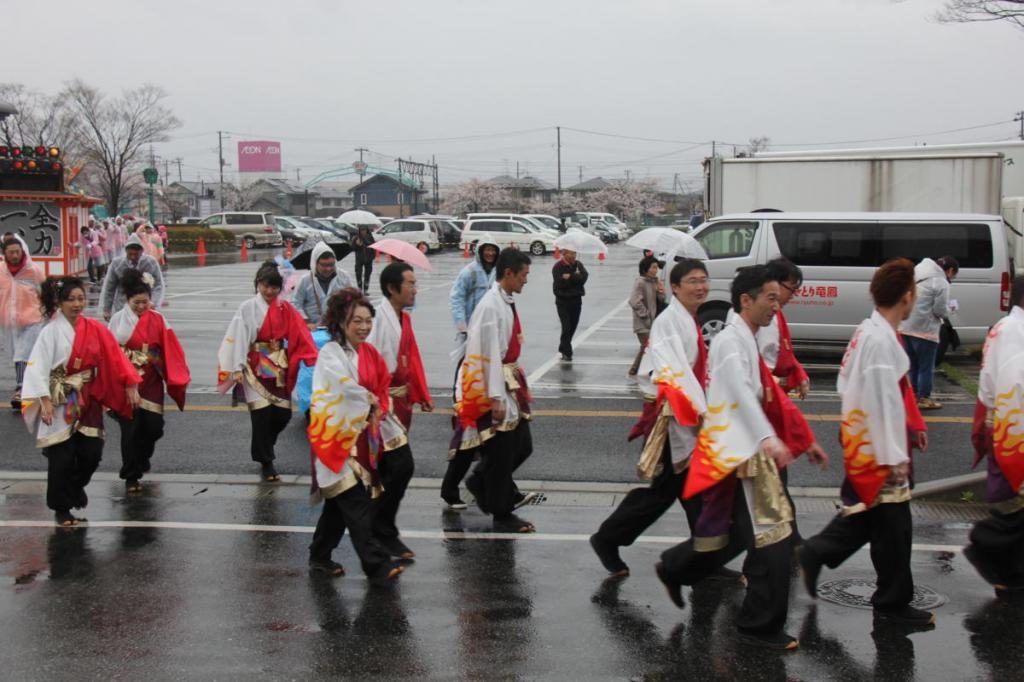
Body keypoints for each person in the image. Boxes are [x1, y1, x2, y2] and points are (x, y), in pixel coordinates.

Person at [656, 265, 826, 651]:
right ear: (745, 300)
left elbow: (769, 393)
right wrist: (768, 438)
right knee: (772, 539)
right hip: (741, 451)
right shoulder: (731, 341)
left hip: (746, 447)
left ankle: (675, 567)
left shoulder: (747, 335)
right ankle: (756, 625)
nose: (777, 304)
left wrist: (800, 437)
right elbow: (739, 394)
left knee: (732, 535)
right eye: (770, 297)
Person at [799, 258, 935, 628]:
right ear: (907, 296)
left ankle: (816, 554)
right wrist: (893, 455)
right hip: (877, 444)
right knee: (893, 527)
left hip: (868, 438)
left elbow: (877, 389)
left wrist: (911, 424)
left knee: (875, 518)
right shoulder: (879, 339)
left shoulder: (871, 330)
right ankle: (891, 603)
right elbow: (881, 401)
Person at [590, 259, 712, 577]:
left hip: (687, 414)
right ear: (674, 287)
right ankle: (607, 539)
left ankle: (706, 558)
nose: (701, 286)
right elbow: (676, 373)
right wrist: (704, 411)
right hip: (676, 418)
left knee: (693, 491)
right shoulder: (670, 321)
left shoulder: (686, 318)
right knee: (667, 492)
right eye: (693, 281)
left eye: (704, 280)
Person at [20, 276, 142, 526]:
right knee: (61, 458)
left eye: (80, 299)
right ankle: (61, 509)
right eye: (71, 299)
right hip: (60, 397)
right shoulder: (50, 332)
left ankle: (75, 487)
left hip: (88, 398)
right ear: (59, 303)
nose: (77, 304)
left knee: (91, 454)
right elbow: (38, 367)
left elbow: (115, 356)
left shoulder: (95, 328)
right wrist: (44, 401)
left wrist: (130, 383)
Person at [307, 287, 405, 584]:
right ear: (340, 323)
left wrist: (379, 403)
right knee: (356, 503)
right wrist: (368, 398)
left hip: (357, 438)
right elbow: (343, 384)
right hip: (334, 440)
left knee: (339, 505)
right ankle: (376, 565)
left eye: (367, 320)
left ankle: (319, 555)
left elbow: (381, 383)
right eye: (356, 321)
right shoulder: (329, 353)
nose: (363, 327)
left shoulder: (366, 353)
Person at [451, 248, 536, 533]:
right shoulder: (490, 306)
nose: (526, 280)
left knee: (522, 445)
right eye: (523, 275)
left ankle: (480, 481)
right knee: (502, 453)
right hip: (494, 381)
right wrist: (496, 397)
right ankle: (502, 512)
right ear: (508, 273)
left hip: (507, 377)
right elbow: (485, 354)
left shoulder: (505, 300)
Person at [217, 260, 318, 481]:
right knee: (261, 415)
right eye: (265, 286)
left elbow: (299, 333)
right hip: (255, 366)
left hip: (278, 365)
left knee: (282, 414)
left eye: (274, 287)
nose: (269, 291)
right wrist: (237, 367)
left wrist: (311, 357)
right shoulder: (247, 307)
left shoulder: (285, 308)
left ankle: (266, 445)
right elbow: (240, 336)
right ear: (258, 284)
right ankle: (266, 461)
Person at [365, 262, 433, 560]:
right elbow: (367, 364)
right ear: (392, 288)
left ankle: (376, 529)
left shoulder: (402, 318)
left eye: (415, 283)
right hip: (382, 406)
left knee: (386, 470)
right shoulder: (377, 319)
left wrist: (420, 392)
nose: (415, 289)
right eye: (410, 284)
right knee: (400, 467)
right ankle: (380, 530)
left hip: (400, 404)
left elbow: (411, 359)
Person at [963, 274, 1024, 596]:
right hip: (1014, 423)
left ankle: (1009, 573)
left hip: (1005, 418)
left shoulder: (1005, 328)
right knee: (1013, 503)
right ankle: (986, 547)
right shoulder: (1013, 331)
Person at [108, 269, 191, 493]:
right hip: (127, 380)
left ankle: (142, 458)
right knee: (131, 429)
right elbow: (111, 352)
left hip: (151, 379)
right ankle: (131, 475)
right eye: (136, 303)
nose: (141, 307)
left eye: (145, 302)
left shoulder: (158, 319)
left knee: (154, 427)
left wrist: (174, 374)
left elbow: (170, 348)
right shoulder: (117, 320)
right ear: (127, 300)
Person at [442, 236, 501, 509]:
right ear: (480, 252)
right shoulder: (470, 272)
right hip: (472, 333)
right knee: (465, 374)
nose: (490, 253)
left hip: (488, 336)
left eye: (493, 250)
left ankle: (490, 490)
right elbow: (456, 297)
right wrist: (461, 324)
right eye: (486, 250)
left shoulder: (498, 274)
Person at [900, 255, 959, 410]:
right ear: (950, 270)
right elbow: (940, 310)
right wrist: (950, 310)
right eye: (953, 274)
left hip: (906, 327)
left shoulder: (917, 271)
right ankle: (924, 398)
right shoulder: (941, 283)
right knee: (926, 367)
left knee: (913, 365)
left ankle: (912, 398)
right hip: (925, 330)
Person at [1, 236, 45, 409]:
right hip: (9, 322)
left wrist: (53, 313)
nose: (14, 255)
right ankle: (31, 384)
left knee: (22, 353)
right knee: (17, 355)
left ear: (23, 251)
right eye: (11, 252)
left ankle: (20, 389)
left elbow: (46, 291)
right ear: (4, 253)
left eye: (17, 251)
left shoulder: (33, 270)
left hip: (32, 319)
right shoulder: (1, 270)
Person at [100, 234, 165, 322]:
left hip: (144, 307)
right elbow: (110, 288)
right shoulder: (117, 264)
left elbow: (158, 285)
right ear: (126, 251)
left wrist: (154, 302)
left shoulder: (150, 263)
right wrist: (107, 309)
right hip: (122, 307)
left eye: (136, 254)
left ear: (142, 251)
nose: (133, 257)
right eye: (130, 254)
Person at [291, 241, 356, 328]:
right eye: (324, 265)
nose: (328, 269)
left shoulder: (344, 277)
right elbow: (295, 303)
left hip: (339, 327)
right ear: (315, 263)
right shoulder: (305, 280)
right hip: (313, 329)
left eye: (331, 264)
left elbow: (354, 299)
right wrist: (305, 322)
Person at [628, 255, 665, 377]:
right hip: (642, 322)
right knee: (648, 346)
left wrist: (660, 291)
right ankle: (640, 370)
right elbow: (634, 301)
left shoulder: (654, 282)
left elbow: (661, 300)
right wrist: (646, 316)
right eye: (653, 268)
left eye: (656, 268)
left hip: (652, 322)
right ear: (645, 269)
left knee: (646, 347)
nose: (656, 270)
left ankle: (635, 370)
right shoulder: (640, 282)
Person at [552, 248, 589, 362]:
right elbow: (560, 283)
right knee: (566, 326)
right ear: (564, 254)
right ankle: (567, 352)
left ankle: (563, 347)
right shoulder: (558, 267)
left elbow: (583, 278)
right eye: (571, 253)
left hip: (576, 300)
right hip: (562, 301)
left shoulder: (578, 265)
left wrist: (571, 276)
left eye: (574, 253)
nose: (573, 255)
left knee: (573, 325)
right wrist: (575, 278)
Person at [351, 225, 376, 293]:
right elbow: (353, 248)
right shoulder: (356, 238)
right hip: (359, 259)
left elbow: (374, 246)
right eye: (361, 230)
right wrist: (357, 245)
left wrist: (373, 256)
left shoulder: (370, 237)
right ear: (359, 230)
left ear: (367, 230)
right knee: (358, 273)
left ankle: (366, 289)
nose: (363, 231)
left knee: (367, 274)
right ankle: (359, 288)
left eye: (364, 229)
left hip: (369, 259)